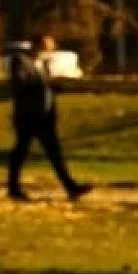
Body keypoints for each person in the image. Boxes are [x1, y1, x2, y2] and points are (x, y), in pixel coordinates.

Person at [9, 36, 92, 202]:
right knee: (21, 151)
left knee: (54, 153)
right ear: (37, 46)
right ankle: (13, 187)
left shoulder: (43, 65)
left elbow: (45, 86)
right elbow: (21, 83)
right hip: (29, 115)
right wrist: (45, 83)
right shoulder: (21, 61)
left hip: (44, 116)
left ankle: (70, 186)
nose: (49, 52)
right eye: (47, 48)